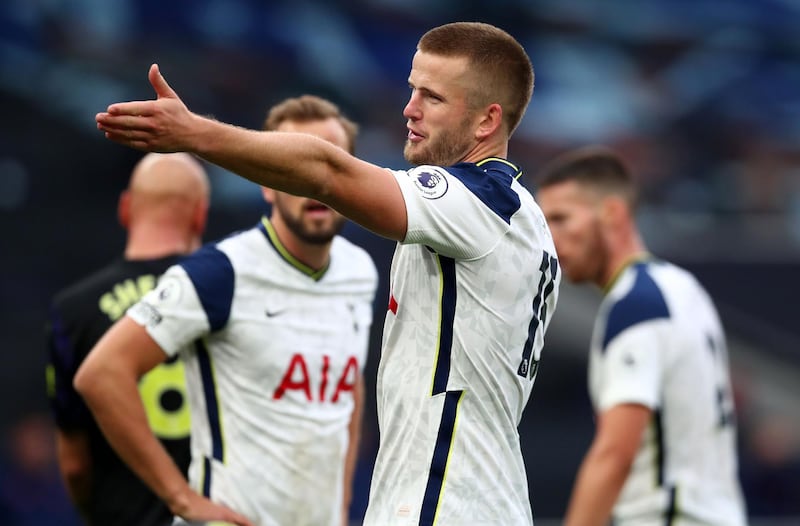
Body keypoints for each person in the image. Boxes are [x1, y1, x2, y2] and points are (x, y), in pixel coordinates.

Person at [91, 21, 560, 525]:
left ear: (487, 122)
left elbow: (328, 173)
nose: (409, 109)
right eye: (411, 90)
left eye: (433, 98)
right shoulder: (523, 223)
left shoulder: (477, 201)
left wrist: (194, 133)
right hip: (486, 499)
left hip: (443, 504)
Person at [77, 94, 379, 526]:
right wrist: (180, 497)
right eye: (296, 166)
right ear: (266, 181)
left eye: (329, 166)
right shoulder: (222, 272)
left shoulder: (360, 270)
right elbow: (101, 374)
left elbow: (347, 387)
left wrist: (342, 501)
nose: (316, 183)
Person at [534, 146, 747, 526]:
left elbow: (614, 454)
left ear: (613, 213)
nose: (549, 239)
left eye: (561, 219)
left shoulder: (636, 303)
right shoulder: (681, 287)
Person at [46, 152, 210, 525]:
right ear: (200, 213)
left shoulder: (73, 310)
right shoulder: (225, 297)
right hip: (217, 515)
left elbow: (74, 464)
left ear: (126, 208)